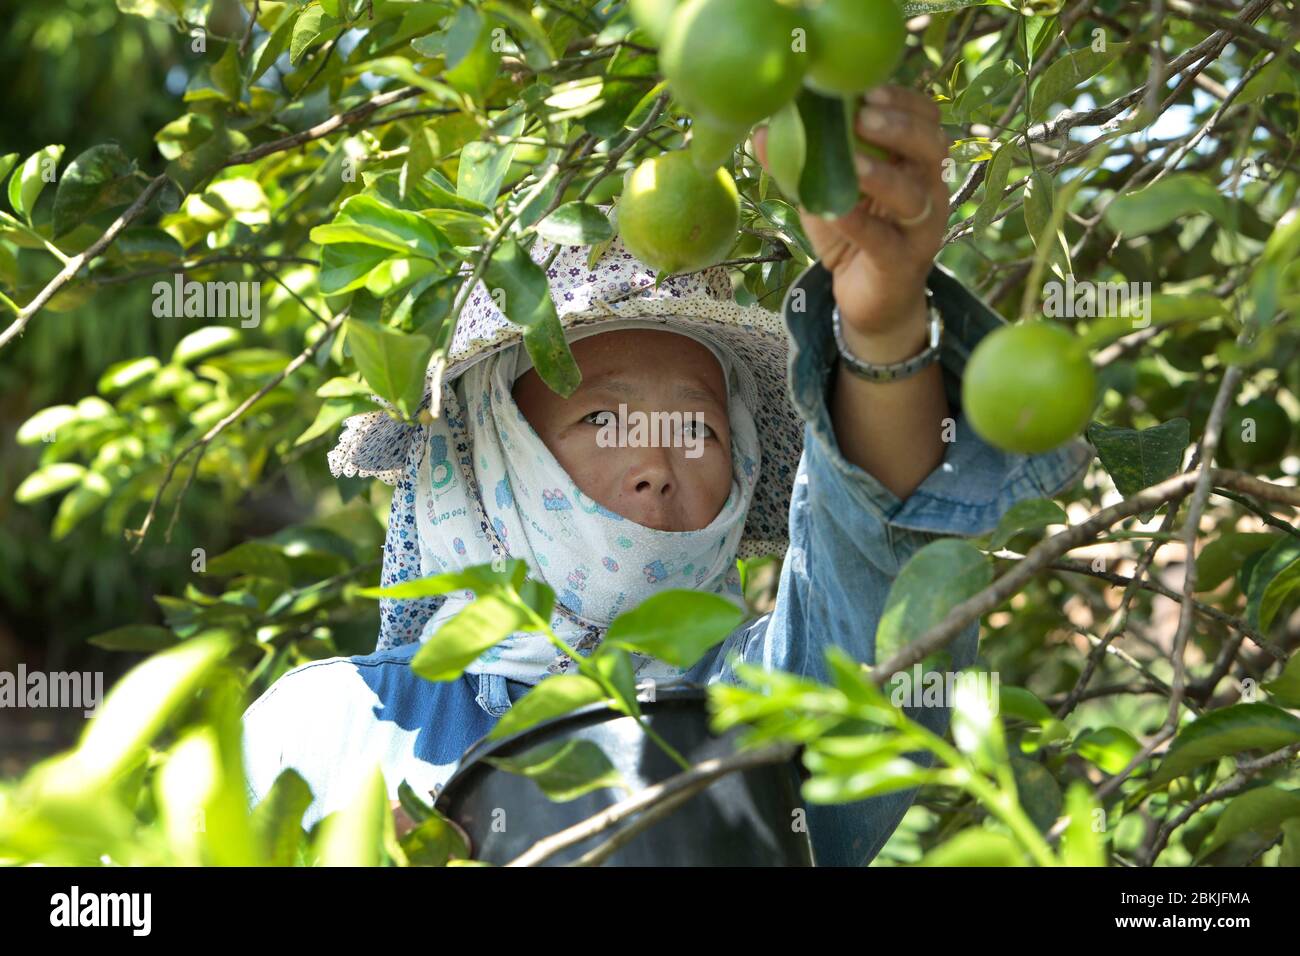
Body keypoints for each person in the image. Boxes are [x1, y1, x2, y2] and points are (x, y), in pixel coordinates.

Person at [241, 85, 1093, 865]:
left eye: (696, 424)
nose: (655, 463)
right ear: (483, 456)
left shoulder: (758, 716)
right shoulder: (326, 732)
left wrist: (882, 328)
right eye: (599, 418)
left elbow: (875, 577)